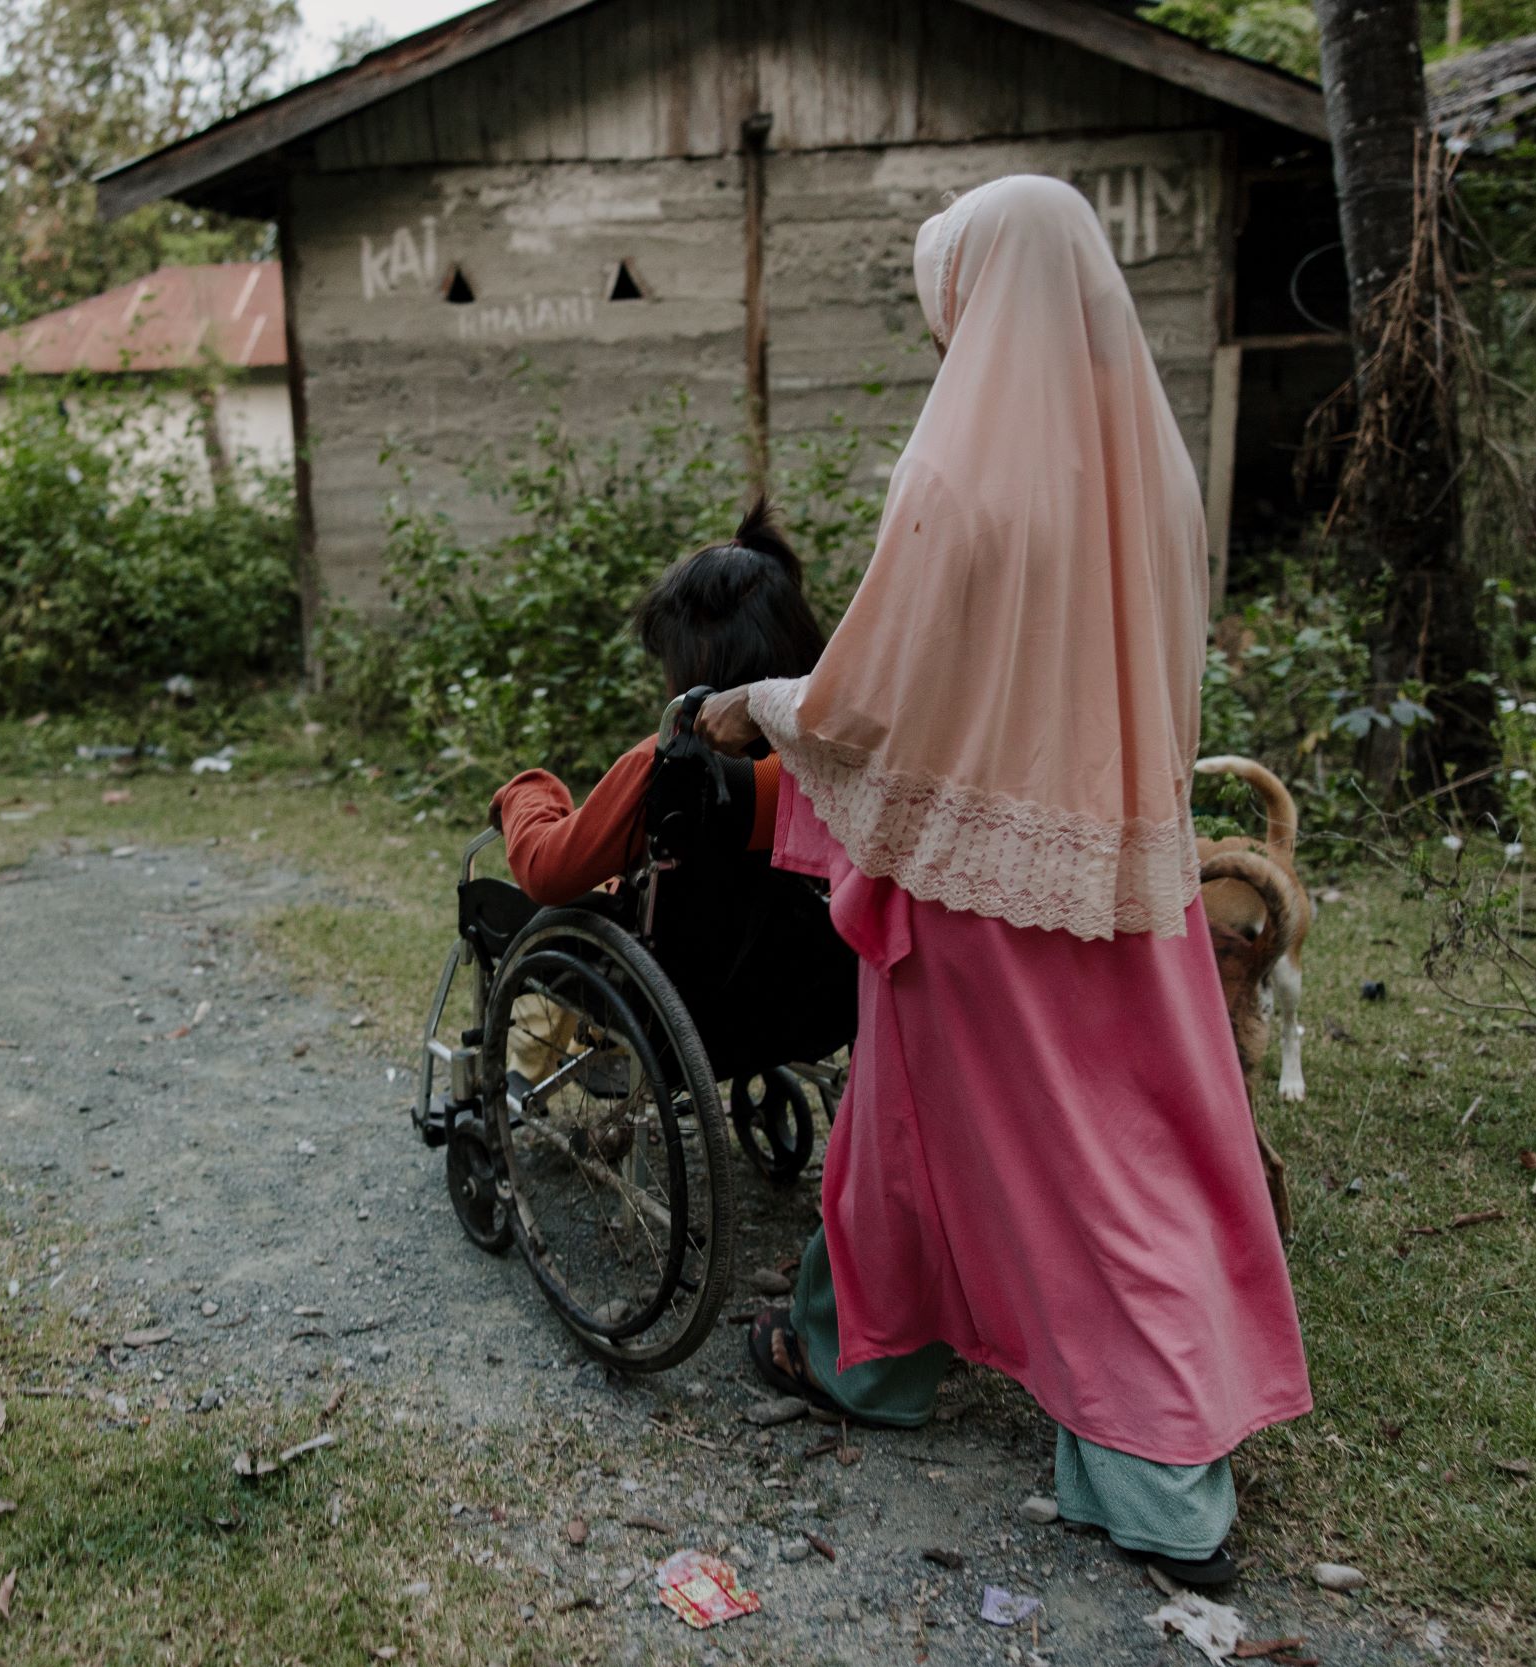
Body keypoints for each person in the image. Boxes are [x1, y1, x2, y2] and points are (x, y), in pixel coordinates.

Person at [697, 176, 1310, 1588]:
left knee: (1055, 1165)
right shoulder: (1150, 460)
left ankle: (1159, 1483)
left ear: (977, 292)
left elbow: (875, 701)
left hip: (985, 881)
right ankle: (863, 1351)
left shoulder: (962, 470)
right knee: (1026, 1133)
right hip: (1118, 860)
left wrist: (766, 706)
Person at [490, 500, 851, 1085]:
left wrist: (528, 791)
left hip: (682, 1009)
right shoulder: (838, 765)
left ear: (691, 658)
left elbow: (548, 871)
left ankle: (524, 1071)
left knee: (559, 913)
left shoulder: (670, 769)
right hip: (804, 1002)